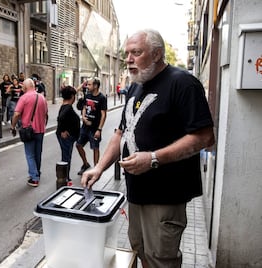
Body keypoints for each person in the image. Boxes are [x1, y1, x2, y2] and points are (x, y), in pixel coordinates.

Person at [81, 29, 215, 268]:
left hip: (166, 197)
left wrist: (153, 158)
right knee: (140, 252)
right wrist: (99, 167)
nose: (129, 59)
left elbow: (204, 138)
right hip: (136, 194)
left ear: (156, 54)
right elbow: (121, 132)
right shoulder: (136, 86)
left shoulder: (183, 83)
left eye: (136, 52)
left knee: (161, 261)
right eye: (127, 53)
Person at [10, 78, 48, 187]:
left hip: (29, 130)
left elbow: (16, 114)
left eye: (23, 87)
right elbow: (46, 114)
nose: (22, 88)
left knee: (30, 154)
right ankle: (37, 173)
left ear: (25, 87)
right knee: (38, 153)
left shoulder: (23, 98)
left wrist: (13, 126)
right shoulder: (42, 97)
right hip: (40, 130)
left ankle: (34, 178)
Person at [75, 77, 107, 175]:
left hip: (94, 129)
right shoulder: (88, 95)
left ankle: (96, 169)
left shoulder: (101, 98)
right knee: (78, 145)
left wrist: (99, 129)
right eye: (87, 84)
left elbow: (103, 114)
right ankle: (85, 164)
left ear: (96, 86)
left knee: (95, 148)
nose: (87, 86)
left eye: (89, 84)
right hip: (85, 127)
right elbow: (84, 107)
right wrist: (83, 117)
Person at [56, 85, 80, 186]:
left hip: (68, 136)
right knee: (66, 157)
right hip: (66, 137)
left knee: (66, 156)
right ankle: (65, 178)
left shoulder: (64, 106)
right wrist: (62, 131)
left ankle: (65, 177)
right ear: (72, 97)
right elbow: (60, 118)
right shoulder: (68, 107)